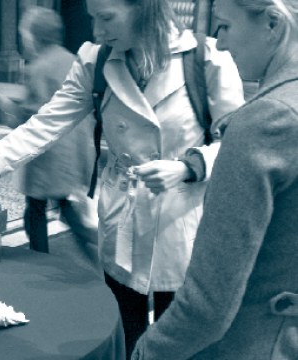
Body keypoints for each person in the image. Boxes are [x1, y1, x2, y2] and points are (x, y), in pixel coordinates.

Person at [0, 0, 244, 357]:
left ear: (146, 9)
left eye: (106, 18)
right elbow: (46, 123)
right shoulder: (98, 61)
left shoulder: (205, 60)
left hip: (183, 219)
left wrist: (188, 166)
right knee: (126, 322)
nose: (97, 32)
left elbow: (238, 142)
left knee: (177, 335)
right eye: (92, 19)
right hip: (124, 215)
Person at [131, 0, 298, 359]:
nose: (220, 43)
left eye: (224, 26)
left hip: (250, 341)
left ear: (272, 23)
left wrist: (148, 350)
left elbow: (208, 306)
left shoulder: (265, 121)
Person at [0, 6, 98, 258]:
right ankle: (92, 244)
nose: (24, 42)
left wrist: (10, 108)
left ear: (34, 37)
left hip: (46, 157)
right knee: (64, 204)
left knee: (36, 210)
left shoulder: (38, 67)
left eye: (25, 36)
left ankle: (42, 258)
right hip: (71, 149)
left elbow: (35, 116)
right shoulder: (72, 59)